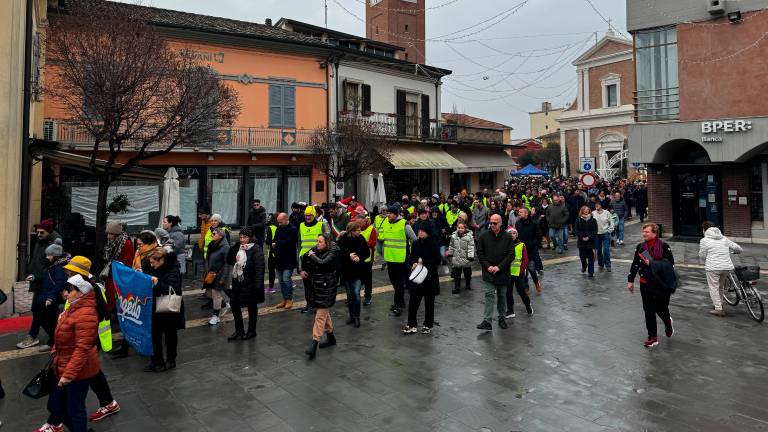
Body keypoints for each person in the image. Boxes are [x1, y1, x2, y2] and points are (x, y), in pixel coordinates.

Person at [46, 257, 106, 432]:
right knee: (57, 405)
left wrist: (68, 374)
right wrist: (55, 349)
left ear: (81, 291)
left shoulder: (85, 311)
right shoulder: (73, 305)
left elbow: (82, 347)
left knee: (74, 408)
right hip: (66, 364)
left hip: (76, 368)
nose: (65, 293)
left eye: (69, 290)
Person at [627, 223, 676, 348]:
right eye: (643, 232)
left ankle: (667, 322)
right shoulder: (640, 247)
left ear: (654, 233)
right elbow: (635, 265)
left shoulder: (664, 247)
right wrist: (630, 280)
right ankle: (652, 337)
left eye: (647, 232)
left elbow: (670, 265)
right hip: (645, 283)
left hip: (661, 284)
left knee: (661, 308)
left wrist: (653, 263)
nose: (644, 234)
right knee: (648, 310)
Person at [18, 218, 62, 349]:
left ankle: (49, 339)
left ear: (49, 232)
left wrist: (37, 277)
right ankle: (50, 339)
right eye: (37, 232)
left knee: (44, 314)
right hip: (40, 282)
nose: (38, 235)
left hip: (46, 284)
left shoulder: (54, 245)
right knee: (40, 312)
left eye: (41, 232)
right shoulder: (41, 241)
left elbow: (51, 270)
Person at [143, 247, 185, 371]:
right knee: (155, 335)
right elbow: (147, 267)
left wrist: (157, 284)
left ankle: (171, 360)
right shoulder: (155, 266)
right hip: (156, 305)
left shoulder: (173, 269)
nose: (151, 265)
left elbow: (173, 287)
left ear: (161, 260)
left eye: (153, 262)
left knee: (170, 335)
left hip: (169, 307)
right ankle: (157, 361)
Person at [301, 234, 339, 360]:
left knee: (320, 316)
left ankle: (314, 343)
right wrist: (301, 269)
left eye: (320, 241)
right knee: (323, 313)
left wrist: (312, 256)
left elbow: (323, 263)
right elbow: (303, 256)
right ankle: (331, 338)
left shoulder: (333, 252)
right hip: (317, 287)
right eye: (317, 241)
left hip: (327, 287)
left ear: (326, 243)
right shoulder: (317, 249)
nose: (317, 243)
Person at [476, 214, 513, 331]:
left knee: (502, 295)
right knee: (489, 294)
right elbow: (480, 254)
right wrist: (488, 266)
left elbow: (511, 254)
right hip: (488, 272)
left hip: (502, 272)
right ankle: (487, 320)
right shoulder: (483, 236)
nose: (492, 225)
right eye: (490, 223)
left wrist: (499, 267)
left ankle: (502, 317)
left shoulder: (507, 237)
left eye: (495, 223)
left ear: (500, 223)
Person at [226, 228, 264, 340]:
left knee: (251, 307)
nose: (242, 240)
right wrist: (235, 247)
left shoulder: (256, 249)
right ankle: (239, 330)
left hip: (250, 283)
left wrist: (258, 285)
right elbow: (229, 260)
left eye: (245, 237)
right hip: (238, 282)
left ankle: (252, 331)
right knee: (234, 304)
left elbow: (260, 268)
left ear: (250, 238)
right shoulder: (239, 248)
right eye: (241, 237)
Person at [403, 222, 442, 335]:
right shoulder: (415, 243)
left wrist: (423, 262)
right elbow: (411, 258)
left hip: (429, 278)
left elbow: (437, 260)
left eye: (423, 231)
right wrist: (413, 263)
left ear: (428, 232)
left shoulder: (433, 244)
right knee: (413, 301)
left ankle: (427, 324)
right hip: (417, 278)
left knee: (429, 302)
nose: (420, 232)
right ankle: (411, 324)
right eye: (419, 230)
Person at [699, 221, 742, 317]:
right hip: (726, 267)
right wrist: (737, 252)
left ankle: (718, 308)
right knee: (721, 286)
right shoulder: (724, 238)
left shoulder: (704, 240)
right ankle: (719, 304)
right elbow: (738, 248)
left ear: (705, 230)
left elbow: (702, 255)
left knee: (713, 287)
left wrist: (708, 257)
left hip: (712, 268)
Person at [381, 206, 417, 317]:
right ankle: (400, 302)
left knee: (399, 284)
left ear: (396, 214)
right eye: (387, 213)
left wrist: (412, 255)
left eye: (390, 213)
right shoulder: (385, 223)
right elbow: (381, 238)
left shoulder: (404, 224)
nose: (388, 215)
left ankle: (399, 305)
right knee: (394, 283)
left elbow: (414, 239)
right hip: (390, 259)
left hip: (402, 259)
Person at [34, 239, 69, 351]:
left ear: (55, 255)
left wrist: (50, 298)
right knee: (46, 319)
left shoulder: (58, 267)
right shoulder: (56, 265)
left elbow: (59, 283)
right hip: (48, 296)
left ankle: (54, 341)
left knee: (48, 320)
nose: (47, 257)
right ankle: (53, 341)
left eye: (49, 255)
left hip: (51, 298)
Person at [298, 205, 330, 314]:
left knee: (317, 284)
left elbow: (328, 241)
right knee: (307, 284)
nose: (307, 217)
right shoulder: (301, 225)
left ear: (314, 215)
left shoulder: (322, 225)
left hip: (317, 259)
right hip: (305, 260)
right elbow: (299, 245)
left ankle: (317, 304)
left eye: (309, 215)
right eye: (306, 215)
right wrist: (299, 265)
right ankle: (309, 304)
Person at [337, 222, 370, 328]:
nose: (359, 232)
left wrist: (359, 258)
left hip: (358, 271)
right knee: (349, 295)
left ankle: (357, 317)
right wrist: (348, 256)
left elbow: (366, 252)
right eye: (358, 230)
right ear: (352, 231)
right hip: (346, 271)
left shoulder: (361, 239)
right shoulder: (343, 240)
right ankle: (351, 316)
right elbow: (338, 253)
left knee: (356, 294)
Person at [204, 228, 230, 325]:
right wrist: (206, 271)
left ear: (220, 235)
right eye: (212, 233)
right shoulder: (212, 245)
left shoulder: (225, 247)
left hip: (219, 274)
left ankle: (215, 316)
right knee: (209, 293)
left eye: (214, 234)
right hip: (210, 274)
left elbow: (227, 264)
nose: (212, 235)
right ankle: (224, 304)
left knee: (216, 295)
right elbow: (207, 258)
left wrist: (223, 278)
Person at [505, 227, 532, 318]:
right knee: (508, 292)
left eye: (514, 233)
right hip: (508, 273)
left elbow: (525, 260)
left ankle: (528, 305)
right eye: (510, 233)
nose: (512, 235)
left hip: (519, 274)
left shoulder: (521, 245)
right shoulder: (504, 245)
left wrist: (521, 270)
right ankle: (510, 310)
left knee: (521, 291)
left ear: (516, 235)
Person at [273, 213, 298, 309]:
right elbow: (274, 240)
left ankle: (289, 299)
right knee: (281, 281)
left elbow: (289, 242)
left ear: (286, 219)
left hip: (289, 259)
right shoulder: (279, 228)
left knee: (286, 279)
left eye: (280, 222)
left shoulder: (293, 229)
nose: (279, 224)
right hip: (279, 258)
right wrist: (276, 245)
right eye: (278, 222)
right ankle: (284, 299)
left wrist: (278, 243)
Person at [515, 208, 542, 295]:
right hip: (521, 250)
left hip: (531, 251)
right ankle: (526, 286)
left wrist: (533, 244)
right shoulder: (517, 223)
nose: (519, 213)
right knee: (523, 271)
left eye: (521, 212)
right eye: (519, 212)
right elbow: (516, 235)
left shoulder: (534, 223)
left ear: (526, 214)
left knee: (531, 269)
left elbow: (539, 236)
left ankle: (536, 282)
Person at [447, 222, 474, 294]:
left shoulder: (469, 237)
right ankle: (457, 287)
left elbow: (471, 247)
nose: (460, 229)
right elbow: (451, 246)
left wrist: (471, 256)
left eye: (462, 228)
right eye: (459, 228)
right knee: (457, 274)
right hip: (457, 258)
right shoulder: (453, 236)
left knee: (467, 273)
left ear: (465, 229)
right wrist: (450, 253)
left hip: (466, 258)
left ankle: (468, 284)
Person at [358, 212, 377, 306]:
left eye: (361, 223)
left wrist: (362, 244)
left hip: (368, 259)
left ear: (365, 221)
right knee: (358, 278)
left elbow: (373, 242)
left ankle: (367, 296)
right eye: (358, 223)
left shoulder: (371, 229)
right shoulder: (357, 229)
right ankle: (355, 296)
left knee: (367, 279)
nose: (359, 225)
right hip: (358, 258)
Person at [574, 206, 598, 277]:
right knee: (582, 256)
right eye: (585, 209)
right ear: (582, 211)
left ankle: (591, 272)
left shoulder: (593, 220)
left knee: (591, 257)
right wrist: (582, 237)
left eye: (587, 209)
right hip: (581, 242)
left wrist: (589, 237)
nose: (586, 210)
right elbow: (576, 230)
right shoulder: (578, 220)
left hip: (591, 242)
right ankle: (584, 266)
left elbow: (595, 231)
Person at [592, 201, 614, 272]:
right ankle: (600, 264)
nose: (596, 205)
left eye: (598, 204)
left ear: (601, 205)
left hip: (605, 234)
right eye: (596, 204)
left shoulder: (607, 213)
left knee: (606, 249)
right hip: (597, 234)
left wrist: (609, 230)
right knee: (598, 250)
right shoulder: (593, 213)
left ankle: (608, 265)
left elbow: (611, 222)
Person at [265, 213, 279, 294]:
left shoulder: (270, 228)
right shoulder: (281, 227)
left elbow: (268, 241)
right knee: (282, 269)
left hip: (272, 252)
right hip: (281, 252)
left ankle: (271, 287)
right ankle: (290, 283)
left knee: (271, 270)